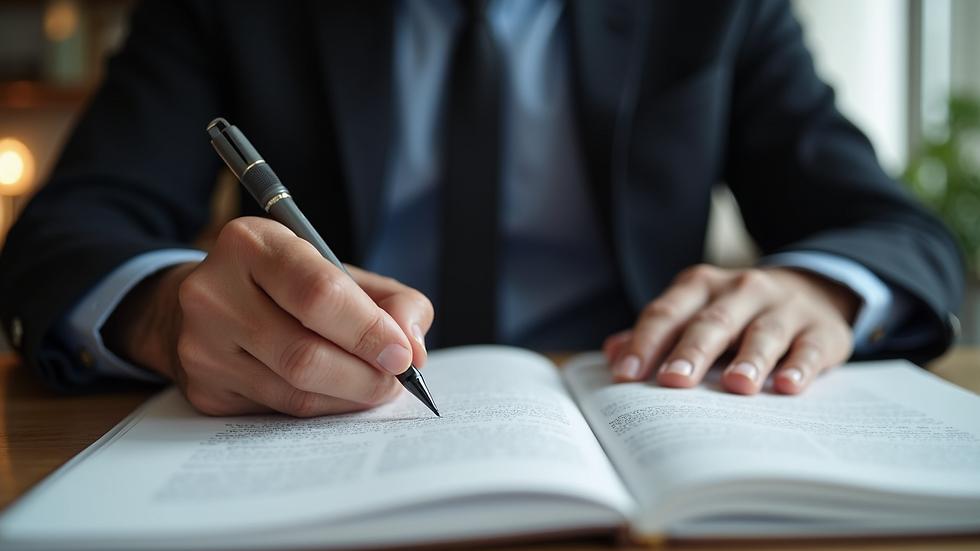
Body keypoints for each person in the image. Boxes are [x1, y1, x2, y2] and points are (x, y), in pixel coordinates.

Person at [0, 0, 964, 417]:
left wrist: (817, 288)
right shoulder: (229, 10)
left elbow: (897, 232)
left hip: (636, 415)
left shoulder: (718, 11)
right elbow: (62, 237)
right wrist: (167, 313)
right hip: (308, 436)